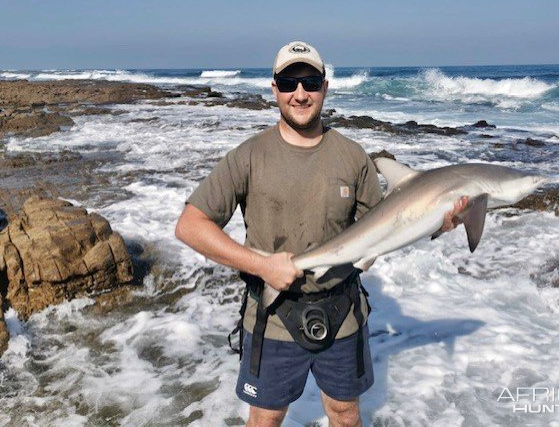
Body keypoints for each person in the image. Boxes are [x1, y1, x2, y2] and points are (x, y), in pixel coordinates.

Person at [175, 41, 467, 427]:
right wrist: (261, 265)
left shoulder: (353, 157)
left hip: (343, 312)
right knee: (265, 418)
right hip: (274, 315)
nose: (300, 94)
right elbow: (190, 226)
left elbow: (382, 232)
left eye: (310, 81)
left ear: (325, 87)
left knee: (345, 414)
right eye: (289, 82)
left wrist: (436, 221)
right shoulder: (248, 157)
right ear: (274, 88)